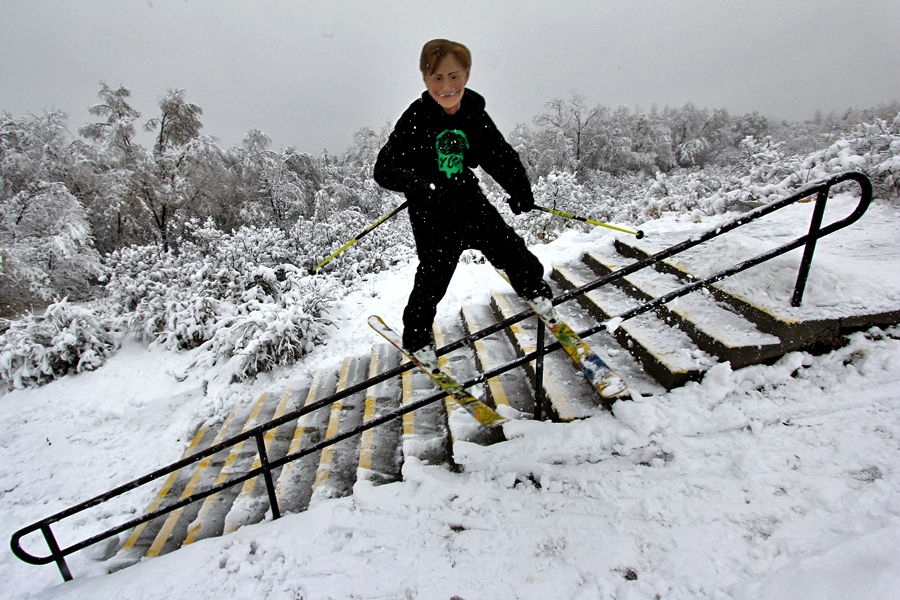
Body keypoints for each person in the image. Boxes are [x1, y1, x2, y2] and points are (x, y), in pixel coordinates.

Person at [374, 39, 551, 361]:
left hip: (470, 201)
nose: (446, 86)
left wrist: (520, 190)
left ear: (467, 74)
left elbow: (498, 155)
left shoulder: (473, 114)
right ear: (425, 79)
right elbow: (384, 168)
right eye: (437, 78)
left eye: (454, 76)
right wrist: (418, 185)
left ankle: (535, 291)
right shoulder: (415, 119)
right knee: (433, 278)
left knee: (512, 250)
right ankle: (417, 338)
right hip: (432, 213)